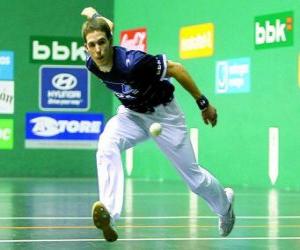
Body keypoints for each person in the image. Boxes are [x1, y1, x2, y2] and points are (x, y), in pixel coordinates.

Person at [81, 7, 235, 242]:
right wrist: (94, 16)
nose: (98, 50)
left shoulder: (134, 64)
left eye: (102, 43)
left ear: (111, 42)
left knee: (195, 180)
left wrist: (203, 103)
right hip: (132, 115)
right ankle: (110, 216)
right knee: (106, 145)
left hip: (165, 115)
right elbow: (106, 25)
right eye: (92, 45)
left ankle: (225, 207)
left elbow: (176, 69)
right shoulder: (91, 64)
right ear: (86, 47)